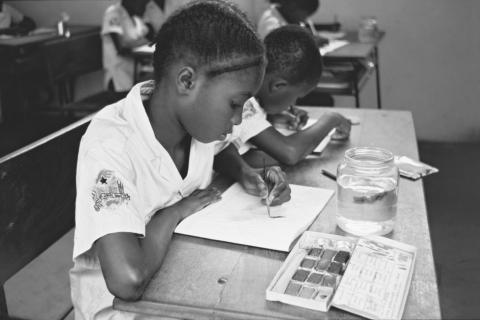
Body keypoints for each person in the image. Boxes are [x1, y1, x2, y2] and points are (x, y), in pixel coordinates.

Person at [70, 1, 291, 319]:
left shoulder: (194, 123)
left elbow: (221, 149)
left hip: (183, 278)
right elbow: (127, 281)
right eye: (234, 104)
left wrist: (246, 172)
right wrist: (173, 213)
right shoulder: (111, 146)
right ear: (187, 81)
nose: (239, 119)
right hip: (121, 311)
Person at [221, 25, 351, 167]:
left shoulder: (250, 85)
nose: (292, 104)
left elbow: (246, 157)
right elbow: (290, 153)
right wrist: (331, 119)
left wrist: (272, 117)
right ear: (278, 86)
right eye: (296, 97)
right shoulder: (245, 99)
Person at [101, 0, 152, 93]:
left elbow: (148, 34)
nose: (145, 5)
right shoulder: (113, 13)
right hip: (118, 77)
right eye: (143, 2)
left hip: (135, 73)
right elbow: (121, 46)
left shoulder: (136, 18)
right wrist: (147, 41)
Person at [257, 0, 327, 46]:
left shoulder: (289, 19)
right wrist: (309, 42)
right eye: (305, 15)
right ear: (292, 6)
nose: (305, 20)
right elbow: (279, 49)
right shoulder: (270, 22)